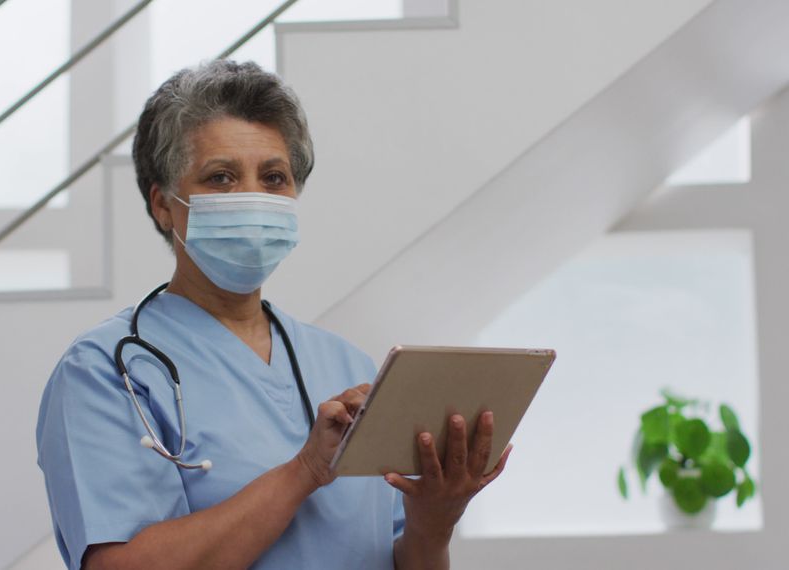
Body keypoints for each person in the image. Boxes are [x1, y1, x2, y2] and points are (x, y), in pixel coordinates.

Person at [36, 60, 510, 570]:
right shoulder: (106, 371)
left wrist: (433, 521)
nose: (252, 199)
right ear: (163, 206)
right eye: (221, 177)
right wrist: (305, 469)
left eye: (274, 177)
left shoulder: (348, 365)